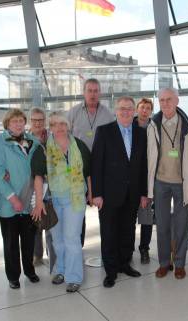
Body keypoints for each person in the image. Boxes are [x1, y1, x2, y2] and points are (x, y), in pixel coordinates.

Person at [31, 112, 91, 293]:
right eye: (55, 124)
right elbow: (38, 176)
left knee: (71, 238)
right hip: (53, 199)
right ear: (50, 127)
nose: (59, 128)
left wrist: (92, 194)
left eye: (62, 124)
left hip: (76, 197)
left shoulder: (78, 145)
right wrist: (39, 202)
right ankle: (60, 270)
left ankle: (74, 277)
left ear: (68, 126)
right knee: (57, 239)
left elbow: (88, 172)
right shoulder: (43, 148)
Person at [91, 96, 148, 288]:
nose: (125, 112)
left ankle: (125, 264)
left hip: (132, 194)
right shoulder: (104, 131)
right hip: (108, 195)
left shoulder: (141, 134)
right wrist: (96, 194)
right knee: (109, 233)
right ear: (116, 110)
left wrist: (143, 193)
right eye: (122, 109)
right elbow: (96, 164)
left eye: (129, 109)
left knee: (128, 231)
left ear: (134, 112)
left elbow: (143, 167)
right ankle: (110, 271)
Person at [147, 88, 188, 280]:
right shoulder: (153, 125)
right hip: (160, 182)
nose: (165, 103)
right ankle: (164, 263)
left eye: (169, 99)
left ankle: (179, 263)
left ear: (177, 101)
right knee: (161, 225)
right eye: (162, 100)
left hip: (182, 182)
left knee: (181, 225)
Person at [0, 108, 40, 290]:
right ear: (7, 124)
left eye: (21, 120)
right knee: (11, 242)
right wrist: (13, 199)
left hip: (30, 200)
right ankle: (13, 276)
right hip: (9, 202)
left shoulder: (33, 141)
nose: (18, 124)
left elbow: (40, 169)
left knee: (28, 239)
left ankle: (29, 270)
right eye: (14, 121)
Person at [68, 78, 114, 246]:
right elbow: (63, 139)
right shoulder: (73, 113)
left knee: (105, 211)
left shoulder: (108, 114)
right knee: (78, 212)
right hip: (78, 171)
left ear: (100, 93)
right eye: (90, 91)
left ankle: (107, 249)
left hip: (102, 170)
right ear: (84, 92)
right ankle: (77, 248)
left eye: (96, 91)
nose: (93, 94)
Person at [29, 107, 55, 268]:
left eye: (40, 120)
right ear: (30, 121)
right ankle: (36, 255)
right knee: (34, 224)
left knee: (51, 222)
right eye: (34, 120)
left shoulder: (52, 138)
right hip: (31, 187)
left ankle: (53, 257)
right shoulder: (25, 140)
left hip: (50, 188)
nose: (38, 123)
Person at [134, 98, 154, 264]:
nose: (145, 111)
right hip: (131, 180)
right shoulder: (128, 126)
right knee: (128, 218)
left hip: (149, 179)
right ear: (137, 109)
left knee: (146, 217)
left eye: (148, 108)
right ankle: (127, 247)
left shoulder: (155, 128)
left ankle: (144, 248)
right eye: (142, 107)